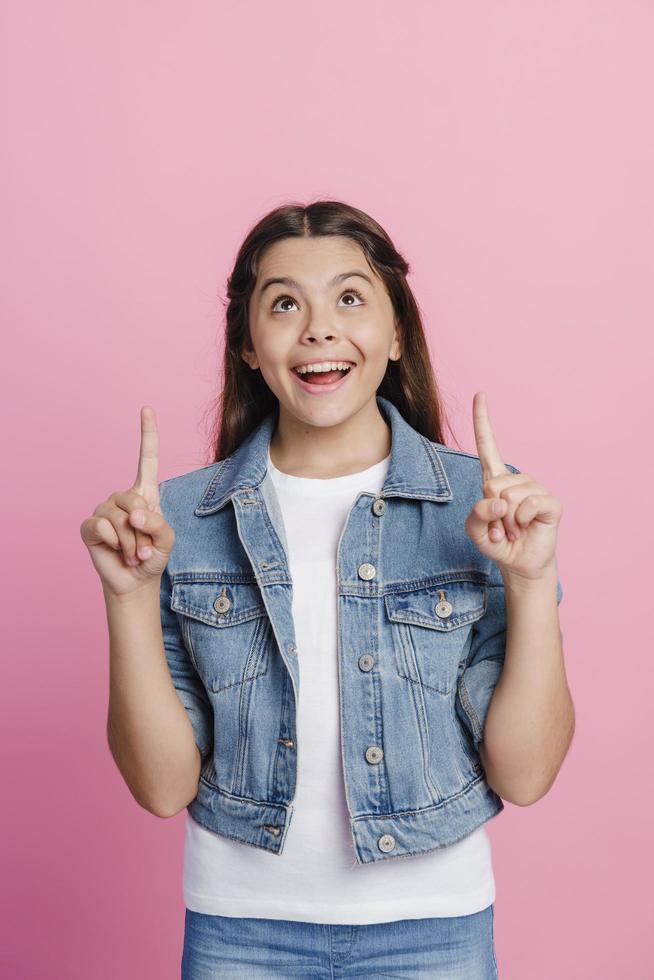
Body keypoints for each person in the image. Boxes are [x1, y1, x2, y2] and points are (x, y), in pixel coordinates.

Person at [81, 200, 573, 978]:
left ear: (397, 330)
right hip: (239, 933)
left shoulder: (485, 510)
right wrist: (128, 598)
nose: (318, 328)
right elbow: (162, 788)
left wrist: (532, 578)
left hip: (434, 930)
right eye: (283, 303)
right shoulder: (175, 522)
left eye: (349, 297)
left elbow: (526, 774)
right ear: (249, 343)